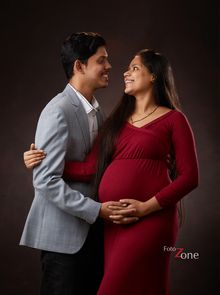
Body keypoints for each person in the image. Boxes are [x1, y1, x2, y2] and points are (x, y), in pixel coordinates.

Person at [25, 49, 199, 294]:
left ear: (153, 76)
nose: (125, 73)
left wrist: (145, 207)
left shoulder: (174, 120)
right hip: (114, 225)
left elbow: (190, 177)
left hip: (151, 219)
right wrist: (44, 162)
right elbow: (89, 169)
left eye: (135, 68)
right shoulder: (115, 121)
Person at [20, 32, 137, 295]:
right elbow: (45, 181)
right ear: (79, 66)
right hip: (63, 242)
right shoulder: (57, 110)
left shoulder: (98, 112)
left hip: (94, 238)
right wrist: (97, 210)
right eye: (102, 60)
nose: (109, 67)